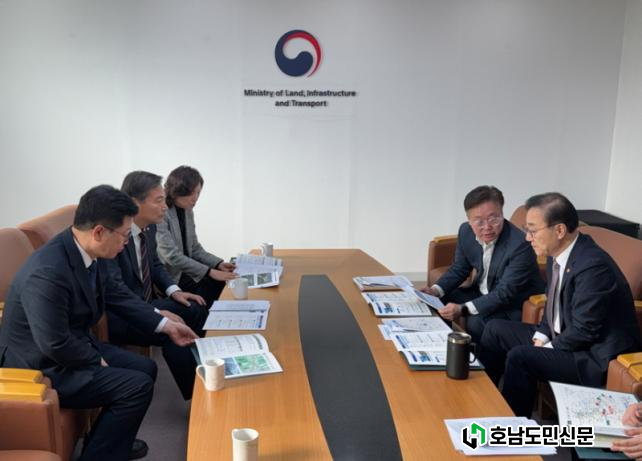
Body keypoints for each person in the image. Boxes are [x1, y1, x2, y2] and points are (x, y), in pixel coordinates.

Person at [0, 185, 198, 461]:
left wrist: (165, 325)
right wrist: (94, 359)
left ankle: (108, 440)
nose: (126, 243)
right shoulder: (47, 272)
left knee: (145, 367)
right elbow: (53, 343)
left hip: (73, 343)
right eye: (124, 235)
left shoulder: (88, 250)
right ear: (99, 232)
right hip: (42, 363)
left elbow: (118, 296)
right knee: (136, 387)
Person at [478, 192, 641, 417]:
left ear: (560, 230)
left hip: (592, 355)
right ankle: (483, 400)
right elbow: (552, 302)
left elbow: (585, 331)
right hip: (565, 335)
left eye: (533, 231)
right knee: (495, 329)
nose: (528, 238)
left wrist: (545, 349)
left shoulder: (593, 267)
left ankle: (512, 425)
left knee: (521, 356)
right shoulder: (556, 251)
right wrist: (542, 334)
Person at [106, 171, 209, 400]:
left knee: (195, 308)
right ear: (135, 202)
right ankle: (196, 397)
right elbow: (118, 294)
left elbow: (154, 264)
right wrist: (157, 315)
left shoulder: (149, 227)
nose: (165, 207)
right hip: (123, 314)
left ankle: (207, 370)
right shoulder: (115, 236)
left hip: (145, 302)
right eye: (159, 200)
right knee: (171, 330)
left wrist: (175, 291)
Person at [420, 185, 544, 342]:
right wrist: (435, 291)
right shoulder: (466, 231)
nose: (487, 227)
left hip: (510, 304)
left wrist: (463, 309)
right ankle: (437, 344)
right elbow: (459, 268)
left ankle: (474, 357)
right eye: (478, 221)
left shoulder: (520, 245)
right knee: (438, 301)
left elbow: (504, 293)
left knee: (476, 321)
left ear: (502, 213)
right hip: (481, 292)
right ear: (469, 220)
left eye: (493, 219)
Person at [156, 165, 237, 307]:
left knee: (222, 282)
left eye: (198, 193)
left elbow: (194, 248)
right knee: (212, 287)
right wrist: (209, 271)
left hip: (187, 271)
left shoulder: (187, 210)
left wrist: (217, 264)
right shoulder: (161, 213)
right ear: (177, 190)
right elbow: (172, 256)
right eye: (191, 193)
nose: (195, 198)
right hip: (172, 276)